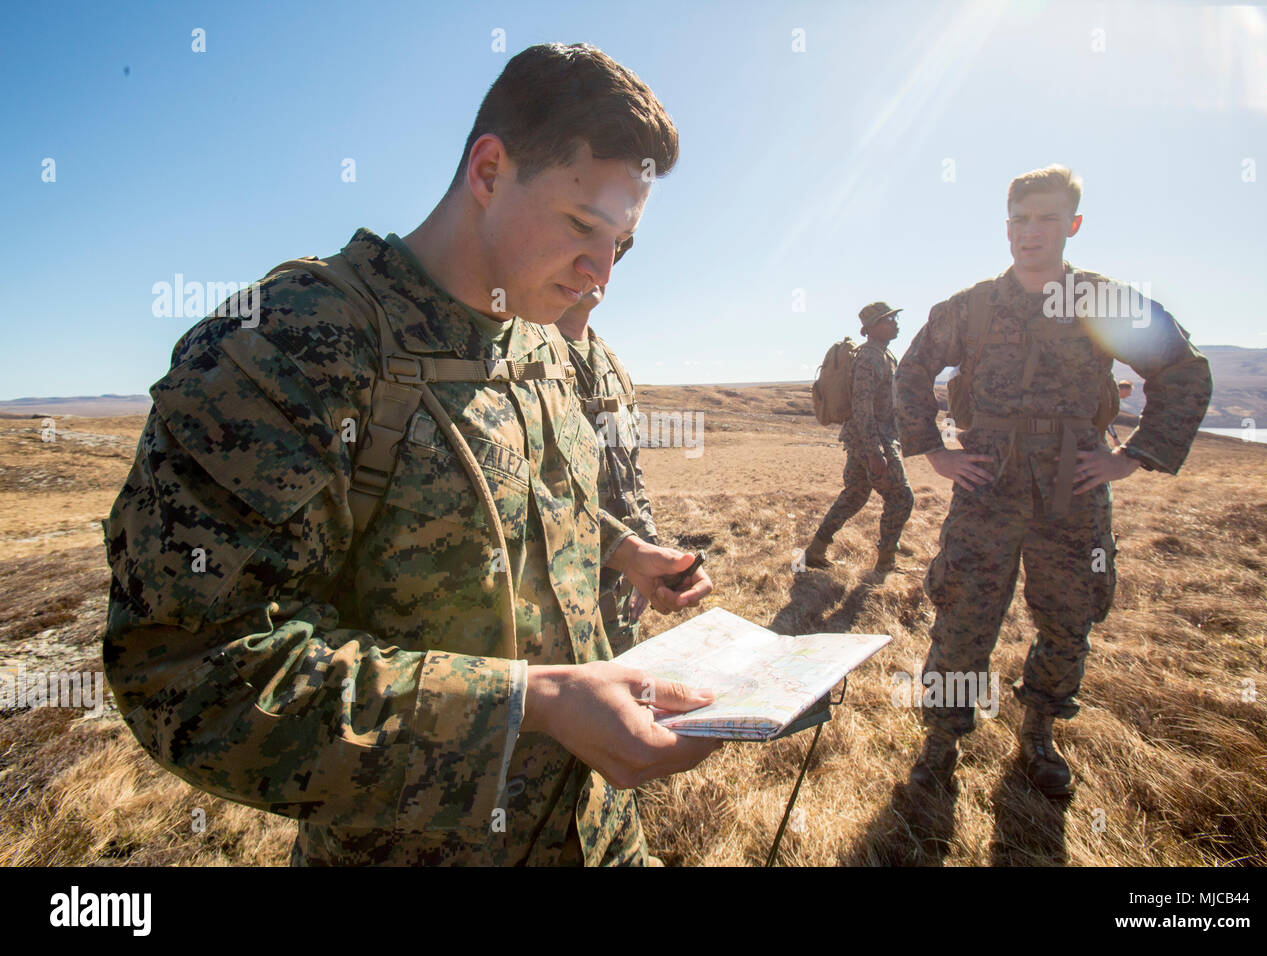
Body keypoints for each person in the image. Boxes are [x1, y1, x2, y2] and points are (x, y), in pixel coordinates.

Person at [101, 42, 720, 866]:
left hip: (599, 842)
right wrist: (526, 706)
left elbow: (519, 499)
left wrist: (619, 550)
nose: (601, 274)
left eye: (623, 244)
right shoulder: (288, 344)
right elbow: (192, 669)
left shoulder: (548, 348)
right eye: (583, 227)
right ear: (489, 170)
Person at [895, 165, 1211, 796]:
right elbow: (912, 372)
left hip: (1074, 487)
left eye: (1045, 218)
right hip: (988, 484)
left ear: (1073, 225)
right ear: (1005, 226)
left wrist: (1134, 456)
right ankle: (941, 739)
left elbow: (1183, 372)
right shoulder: (972, 306)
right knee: (963, 614)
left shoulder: (1102, 302)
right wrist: (933, 451)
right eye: (1019, 219)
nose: (1030, 231)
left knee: (1068, 619)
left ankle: (1038, 732)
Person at [557, 282, 659, 654]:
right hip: (560, 588)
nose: (598, 264)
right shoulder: (522, 359)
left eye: (614, 246)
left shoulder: (611, 363)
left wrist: (648, 548)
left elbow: (631, 473)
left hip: (621, 588)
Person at [804, 302, 915, 574]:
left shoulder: (883, 354)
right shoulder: (868, 358)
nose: (895, 323)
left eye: (894, 318)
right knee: (901, 497)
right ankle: (886, 561)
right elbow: (862, 406)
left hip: (868, 438)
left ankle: (814, 552)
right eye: (888, 320)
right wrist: (875, 452)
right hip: (871, 439)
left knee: (854, 495)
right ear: (870, 328)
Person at [1106, 379, 1135, 447]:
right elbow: (1106, 421)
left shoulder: (1110, 397)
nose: (1129, 395)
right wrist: (1115, 438)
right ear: (1124, 390)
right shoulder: (1109, 400)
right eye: (1129, 392)